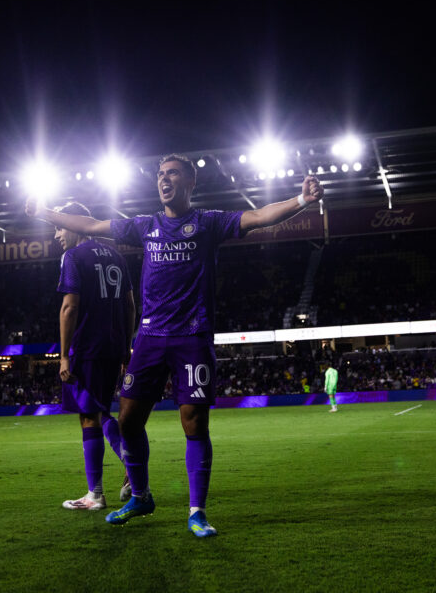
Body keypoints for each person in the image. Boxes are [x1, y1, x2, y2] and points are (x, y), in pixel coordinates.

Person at [28, 153, 324, 537]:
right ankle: (141, 496)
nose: (164, 180)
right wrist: (45, 213)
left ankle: (197, 512)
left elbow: (258, 216)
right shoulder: (144, 226)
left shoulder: (208, 223)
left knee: (194, 423)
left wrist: (301, 200)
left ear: (190, 181)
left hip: (192, 337)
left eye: (172, 174)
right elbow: (92, 223)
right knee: (127, 421)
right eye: (160, 175)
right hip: (149, 339)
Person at [27, 201, 135, 511]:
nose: (57, 234)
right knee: (99, 411)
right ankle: (129, 467)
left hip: (87, 347)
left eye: (60, 226)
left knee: (88, 415)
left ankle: (96, 493)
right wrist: (126, 348)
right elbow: (130, 305)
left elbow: (69, 307)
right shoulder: (117, 255)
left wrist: (63, 356)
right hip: (114, 347)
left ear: (75, 224)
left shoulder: (72, 257)